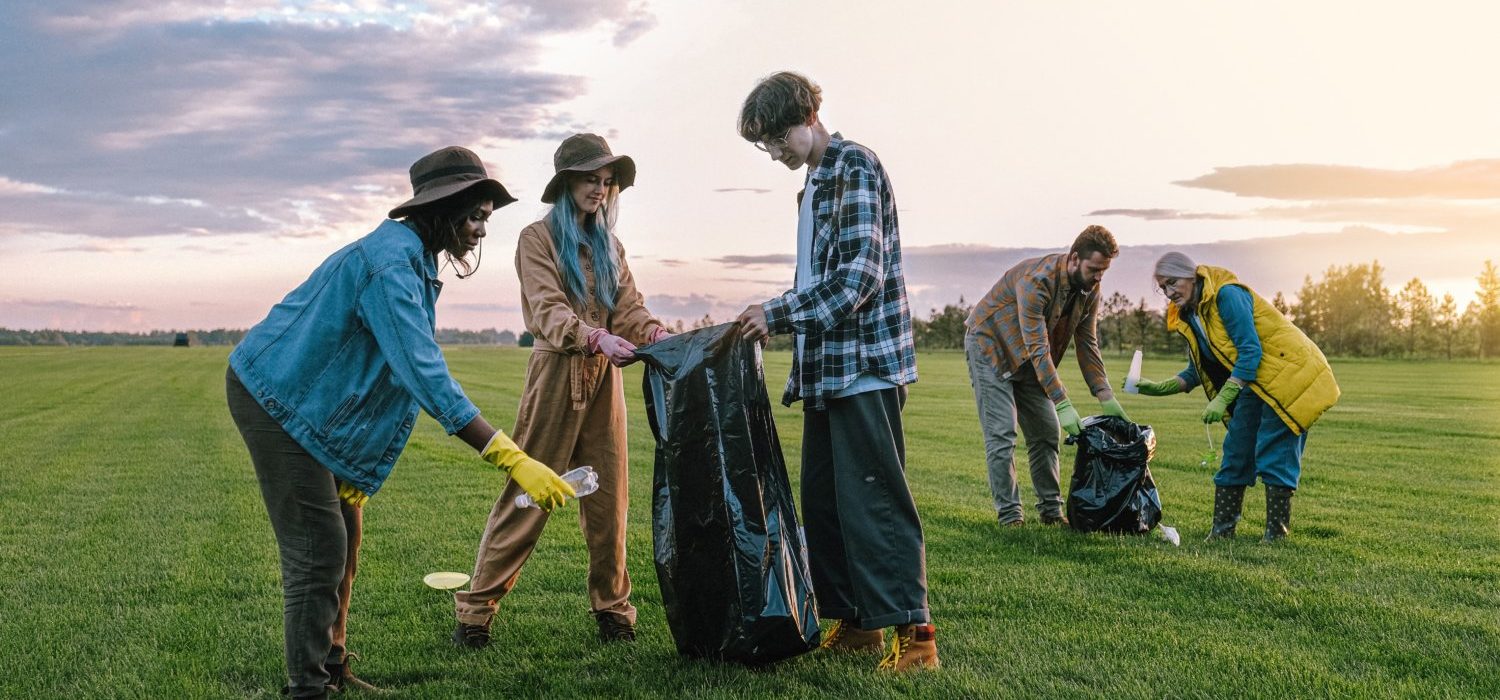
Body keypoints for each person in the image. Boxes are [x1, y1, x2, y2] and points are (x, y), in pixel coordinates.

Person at [227, 147, 575, 699]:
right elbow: (421, 372)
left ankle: (333, 664)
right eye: (476, 216)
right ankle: (308, 689)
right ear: (442, 209)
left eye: (487, 217)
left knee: (347, 534)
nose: (482, 230)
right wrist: (510, 456)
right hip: (274, 397)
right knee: (318, 551)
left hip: (310, 404)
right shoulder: (391, 264)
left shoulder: (412, 257)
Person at [733, 71, 937, 672]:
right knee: (825, 505)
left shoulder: (854, 165)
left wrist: (776, 314)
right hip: (825, 371)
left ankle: (917, 636)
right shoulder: (814, 184)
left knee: (875, 503)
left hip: (866, 368)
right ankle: (855, 625)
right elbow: (818, 280)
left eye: (775, 140)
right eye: (763, 147)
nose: (773, 154)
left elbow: (859, 278)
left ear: (806, 117)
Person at [454, 133, 671, 648]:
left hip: (604, 384)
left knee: (609, 501)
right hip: (555, 374)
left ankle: (614, 609)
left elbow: (630, 309)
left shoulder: (611, 246)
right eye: (591, 179)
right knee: (528, 494)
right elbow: (547, 309)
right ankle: (476, 611)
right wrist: (593, 336)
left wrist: (656, 334)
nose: (601, 189)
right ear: (567, 183)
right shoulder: (536, 239)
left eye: (607, 181)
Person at [1132, 252, 1339, 541]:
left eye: (1172, 283)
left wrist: (1224, 396)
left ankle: (1275, 534)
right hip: (1256, 382)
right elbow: (1198, 370)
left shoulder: (1227, 296)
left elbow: (1250, 351)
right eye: (1163, 287)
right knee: (1237, 450)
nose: (1168, 292)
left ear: (1191, 276)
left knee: (1275, 451)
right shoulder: (1194, 315)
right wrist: (1157, 387)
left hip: (1290, 375)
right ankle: (1221, 532)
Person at [965, 225, 1128, 527]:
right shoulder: (1036, 281)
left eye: (1104, 271)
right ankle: (1011, 517)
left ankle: (1052, 513)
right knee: (1002, 434)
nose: (1099, 277)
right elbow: (1038, 347)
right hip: (991, 348)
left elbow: (1087, 343)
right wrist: (1063, 402)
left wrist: (1105, 394)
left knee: (1046, 433)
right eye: (1094, 269)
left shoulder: (1090, 290)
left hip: (1029, 359)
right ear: (1075, 258)